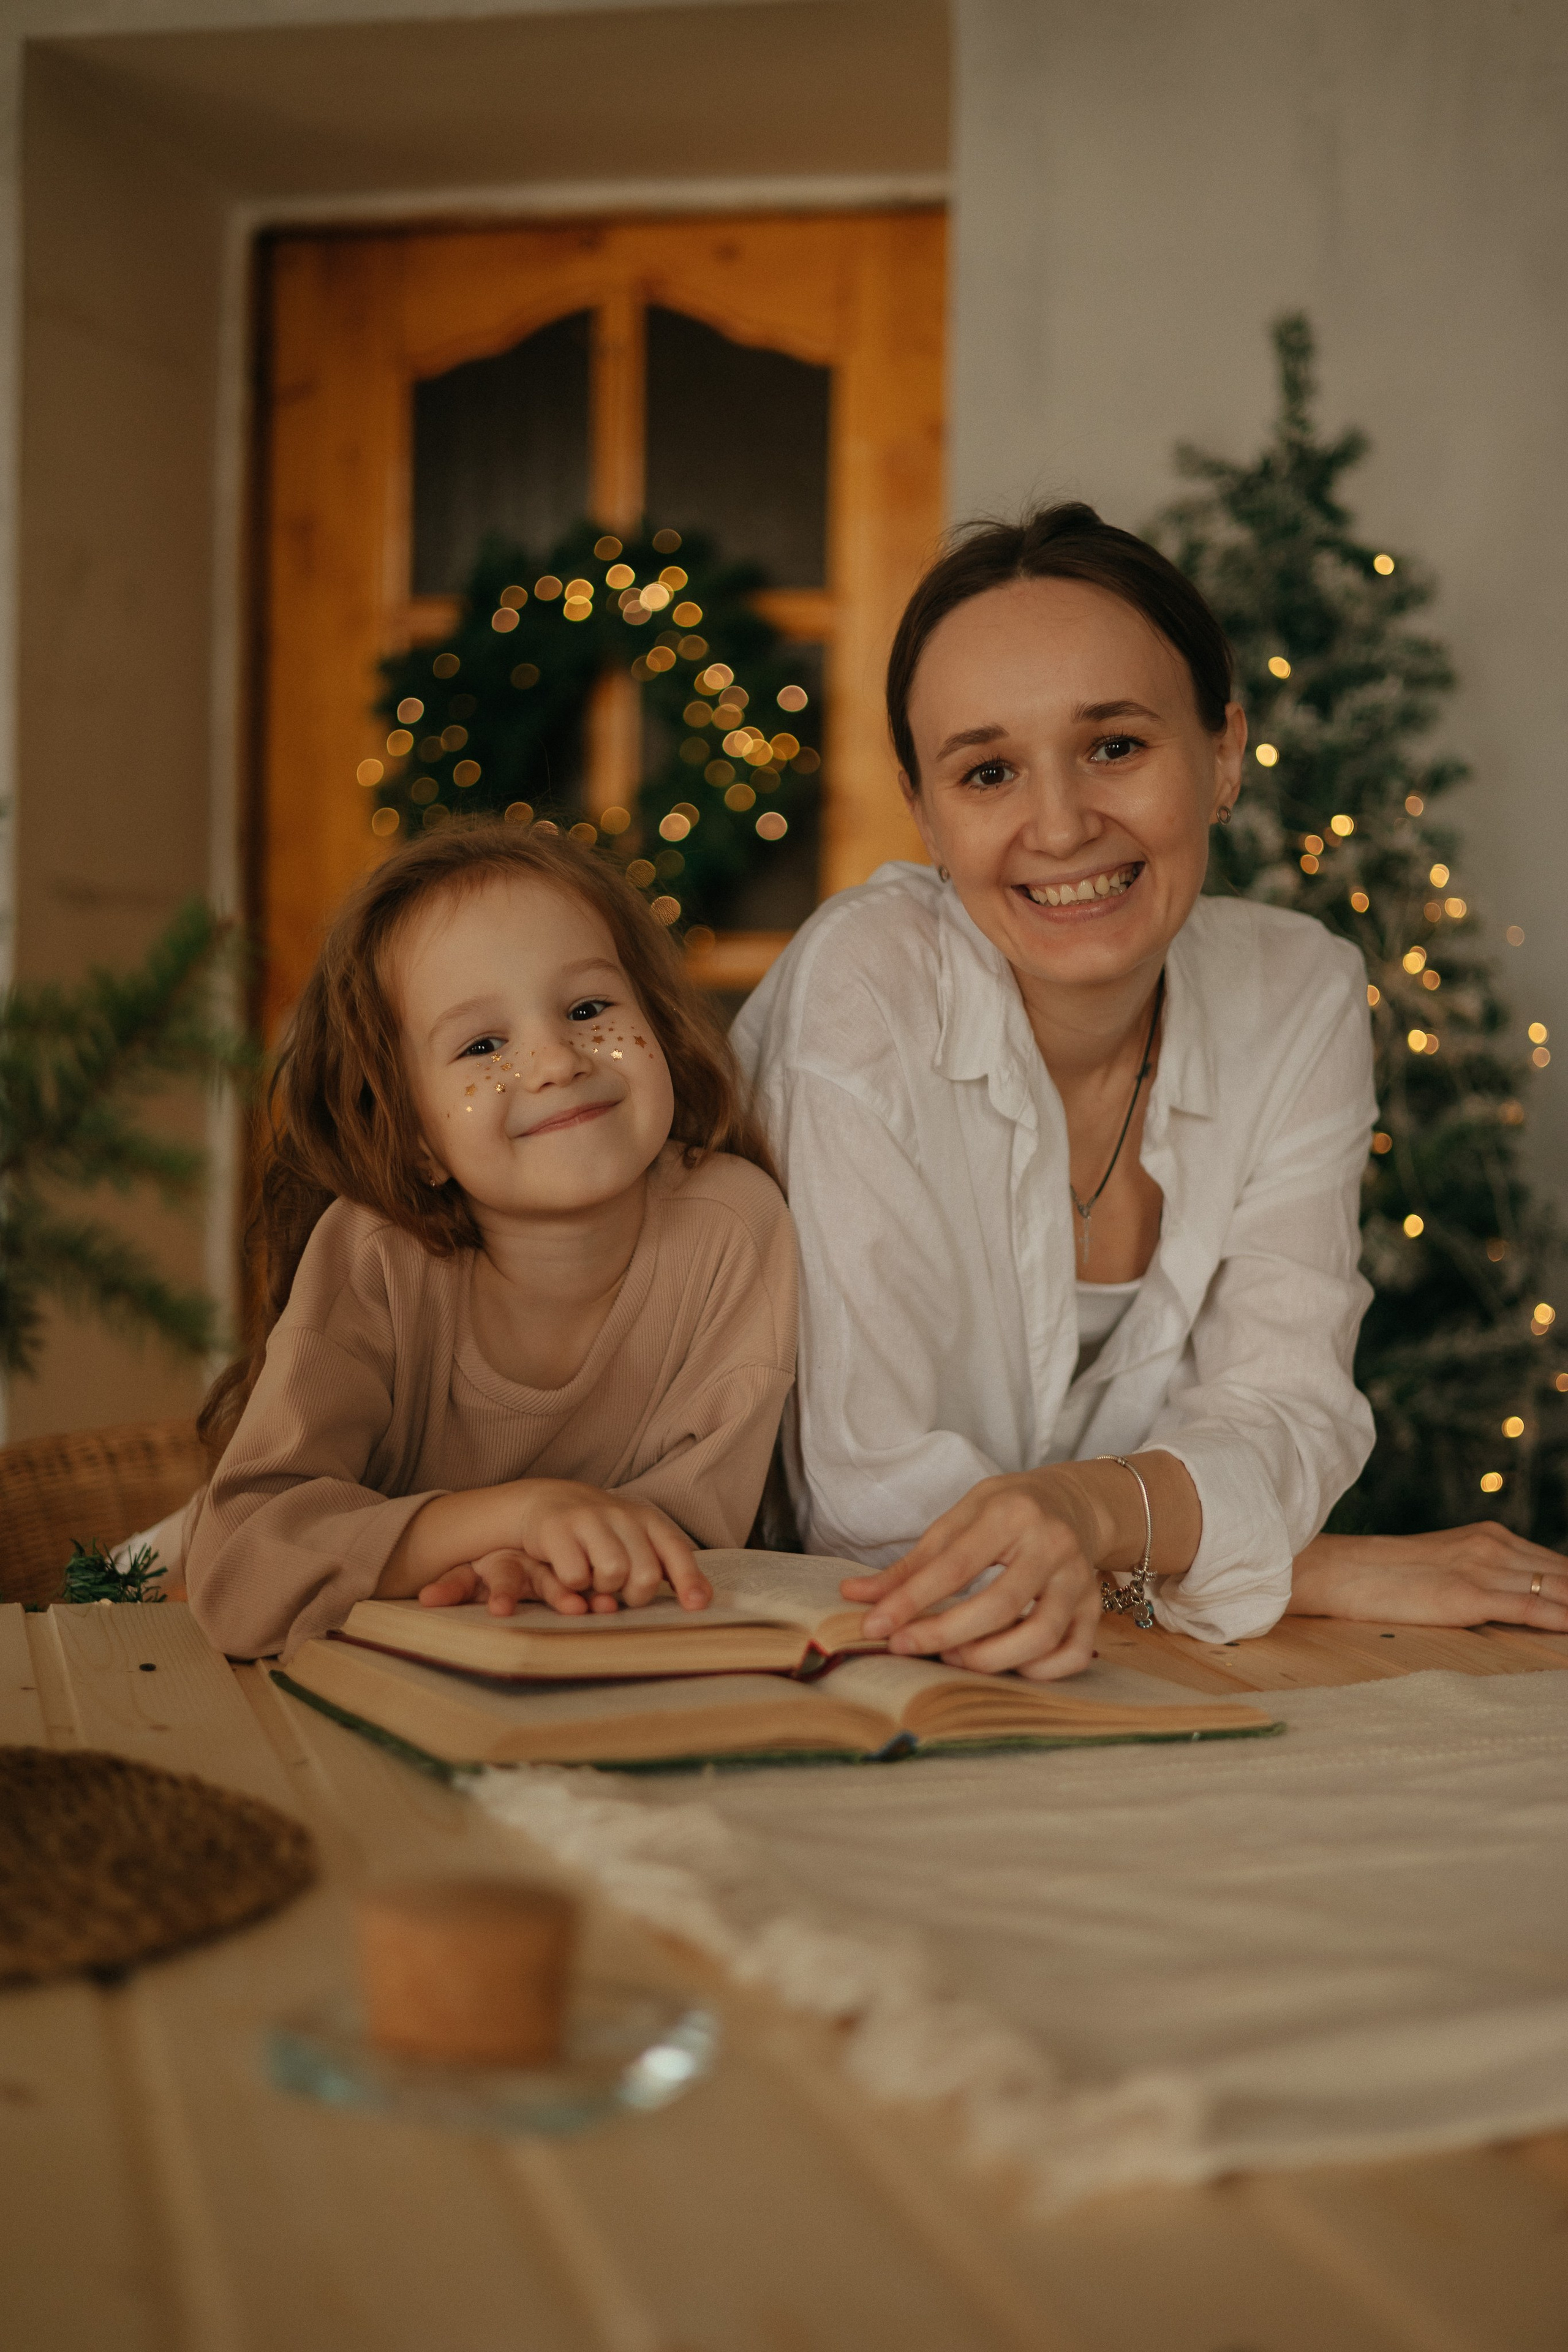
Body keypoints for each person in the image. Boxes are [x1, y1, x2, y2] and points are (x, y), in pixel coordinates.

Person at [734, 501, 1568, 1684]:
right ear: (925, 815)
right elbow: (865, 1510)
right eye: (987, 771)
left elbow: (1291, 1404)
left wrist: (1096, 1520)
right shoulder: (864, 987)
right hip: (844, 1669)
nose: (1064, 825)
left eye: (1116, 746)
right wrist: (1297, 1566)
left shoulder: (1300, 991)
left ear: (1223, 753)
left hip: (1117, 1675)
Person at [181, 826, 796, 1661]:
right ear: (414, 1140)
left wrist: (548, 1554)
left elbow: (698, 1530)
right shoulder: (376, 1256)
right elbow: (240, 1571)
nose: (552, 1061)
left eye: (588, 1009)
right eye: (482, 1045)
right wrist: (512, 1518)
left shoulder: (735, 1227)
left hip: (578, 1662)